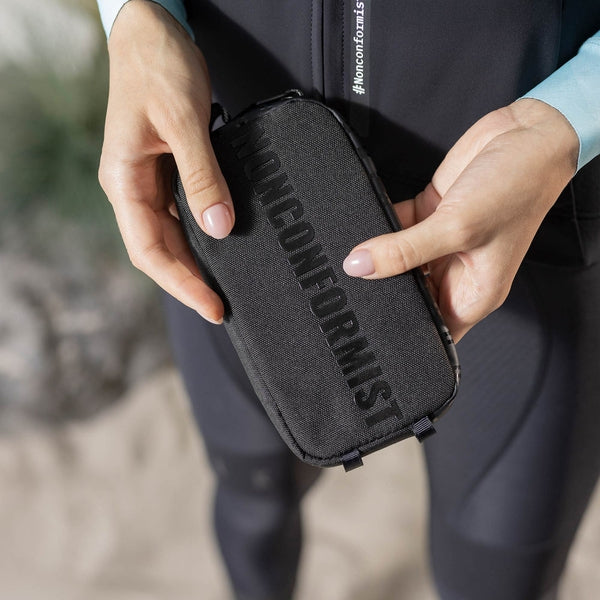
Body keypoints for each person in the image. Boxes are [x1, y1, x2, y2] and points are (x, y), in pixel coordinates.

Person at [96, 1, 600, 599]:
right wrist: (137, 15)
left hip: (531, 206)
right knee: (253, 493)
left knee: (499, 572)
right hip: (244, 195)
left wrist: (570, 117)